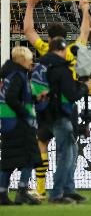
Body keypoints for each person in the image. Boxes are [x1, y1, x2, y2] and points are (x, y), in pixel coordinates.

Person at [23, 0, 91, 198]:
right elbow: (85, 32)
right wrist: (85, 9)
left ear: (50, 38)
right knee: (68, 148)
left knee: (42, 143)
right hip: (68, 104)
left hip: (46, 105)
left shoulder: (45, 50)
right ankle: (64, 189)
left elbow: (28, 30)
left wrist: (30, 5)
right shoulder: (71, 51)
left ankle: (41, 190)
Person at [41, 38, 90, 204]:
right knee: (66, 156)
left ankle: (68, 189)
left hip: (45, 114)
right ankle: (57, 194)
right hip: (61, 114)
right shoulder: (63, 69)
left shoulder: (42, 66)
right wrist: (84, 87)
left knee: (70, 151)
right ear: (62, 50)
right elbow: (71, 95)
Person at [0, 46, 40, 205]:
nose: (32, 61)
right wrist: (26, 113)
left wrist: (36, 98)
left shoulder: (8, 75)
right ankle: (22, 192)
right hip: (19, 123)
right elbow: (12, 98)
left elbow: (15, 97)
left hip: (7, 122)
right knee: (31, 156)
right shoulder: (18, 75)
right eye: (30, 58)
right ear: (23, 59)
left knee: (8, 161)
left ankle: (2, 194)